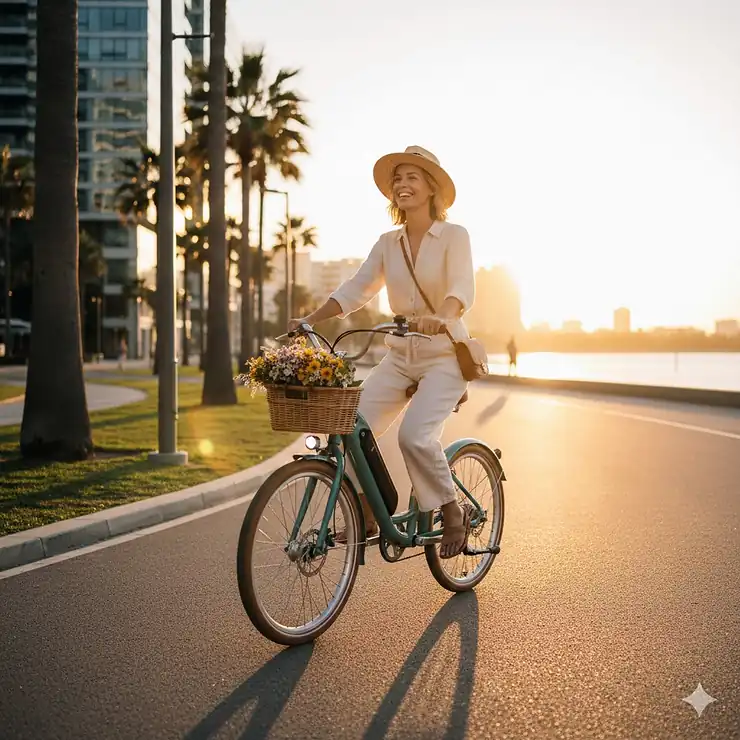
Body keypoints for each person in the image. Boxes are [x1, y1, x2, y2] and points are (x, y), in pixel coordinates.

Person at [288, 145, 475, 559]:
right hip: (398, 356)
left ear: (431, 188)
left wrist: (441, 316)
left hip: (444, 355)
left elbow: (460, 288)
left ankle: (451, 509)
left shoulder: (454, 236)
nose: (403, 185)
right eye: (398, 179)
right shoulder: (388, 243)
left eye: (412, 178)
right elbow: (357, 288)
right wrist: (310, 320)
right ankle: (369, 514)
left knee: (415, 436)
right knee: (350, 425)